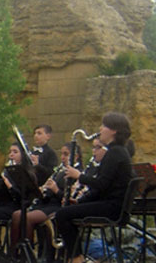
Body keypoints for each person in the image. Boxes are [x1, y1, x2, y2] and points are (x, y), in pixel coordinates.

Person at [52, 112, 134, 263]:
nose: (100, 129)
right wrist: (81, 202)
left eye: (104, 126)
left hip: (112, 207)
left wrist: (79, 176)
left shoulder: (115, 153)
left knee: (62, 215)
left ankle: (77, 258)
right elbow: (102, 187)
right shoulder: (117, 152)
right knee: (66, 213)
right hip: (111, 204)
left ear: (114, 131)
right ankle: (75, 256)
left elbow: (101, 184)